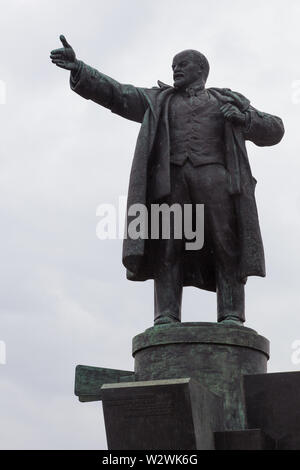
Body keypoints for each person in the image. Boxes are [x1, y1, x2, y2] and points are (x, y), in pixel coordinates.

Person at [50, 36, 284, 326]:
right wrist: (80, 70)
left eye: (182, 65)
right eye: (173, 66)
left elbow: (275, 129)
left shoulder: (226, 100)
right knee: (167, 245)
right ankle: (166, 314)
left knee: (226, 244)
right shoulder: (158, 101)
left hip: (217, 180)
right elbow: (118, 94)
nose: (175, 70)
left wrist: (244, 119)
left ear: (201, 70)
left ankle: (231, 314)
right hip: (170, 183)